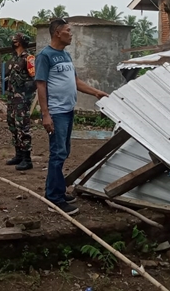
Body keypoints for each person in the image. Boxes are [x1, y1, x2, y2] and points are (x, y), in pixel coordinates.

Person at [35, 18, 108, 215]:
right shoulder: (45, 56)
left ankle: (58, 190)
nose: (71, 34)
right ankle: (54, 199)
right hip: (56, 113)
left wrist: (95, 92)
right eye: (68, 30)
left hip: (67, 111)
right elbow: (41, 86)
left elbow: (75, 81)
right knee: (57, 154)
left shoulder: (65, 56)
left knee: (64, 151)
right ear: (58, 33)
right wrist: (46, 115)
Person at [5, 33, 37, 171]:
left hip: (22, 99)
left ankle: (27, 159)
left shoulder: (29, 58)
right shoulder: (14, 59)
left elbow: (35, 77)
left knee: (22, 127)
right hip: (12, 98)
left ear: (21, 42)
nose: (13, 42)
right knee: (13, 125)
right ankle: (18, 154)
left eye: (15, 40)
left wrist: (27, 89)